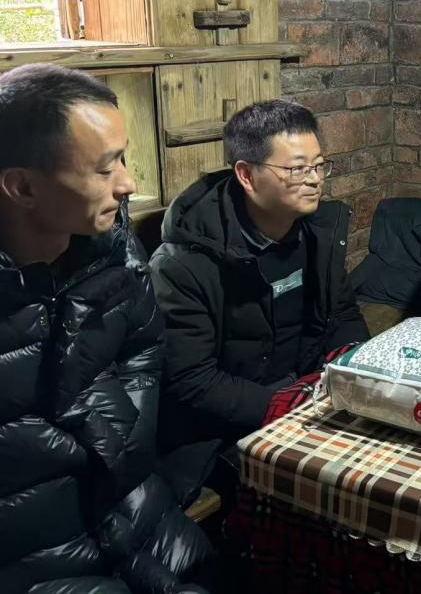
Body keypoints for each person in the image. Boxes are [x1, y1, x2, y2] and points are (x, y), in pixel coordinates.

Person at [0, 64, 212, 592]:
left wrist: (119, 435)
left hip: (133, 506)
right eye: (104, 168)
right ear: (22, 186)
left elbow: (143, 344)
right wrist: (73, 447)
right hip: (32, 555)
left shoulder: (110, 249)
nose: (128, 183)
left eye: (123, 157)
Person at [151, 99, 368, 503]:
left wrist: (355, 371)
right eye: (297, 169)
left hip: (304, 399)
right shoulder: (184, 263)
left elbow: (342, 314)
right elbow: (191, 381)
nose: (315, 180)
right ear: (247, 175)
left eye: (319, 166)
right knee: (326, 494)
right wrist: (291, 404)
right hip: (220, 431)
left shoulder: (318, 232)